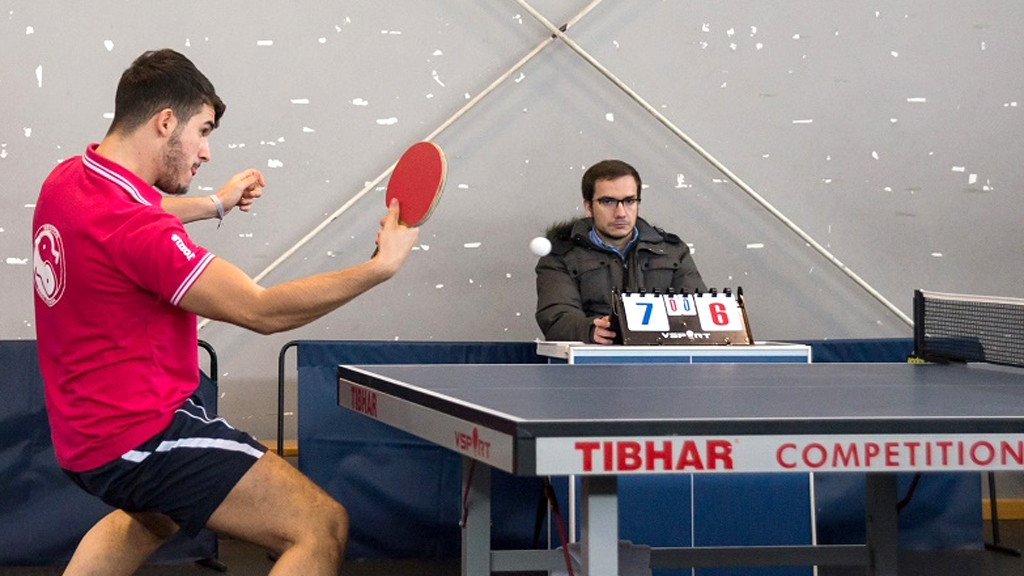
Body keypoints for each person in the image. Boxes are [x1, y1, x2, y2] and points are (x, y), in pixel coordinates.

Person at [31, 49, 418, 576]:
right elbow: (261, 311)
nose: (207, 152)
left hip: (83, 437)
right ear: (165, 121)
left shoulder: (69, 181)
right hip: (144, 434)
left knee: (156, 517)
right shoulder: (141, 232)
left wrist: (214, 203)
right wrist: (379, 267)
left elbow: (136, 210)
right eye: (202, 130)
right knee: (319, 526)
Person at [535, 159, 707, 344]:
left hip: (662, 364)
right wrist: (590, 330)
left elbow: (699, 312)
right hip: (593, 365)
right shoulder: (560, 256)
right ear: (588, 207)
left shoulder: (673, 251)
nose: (621, 213)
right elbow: (556, 316)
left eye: (629, 201)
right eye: (608, 201)